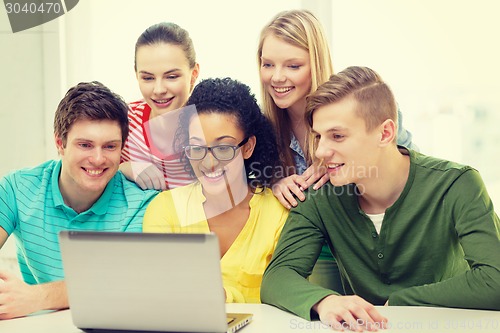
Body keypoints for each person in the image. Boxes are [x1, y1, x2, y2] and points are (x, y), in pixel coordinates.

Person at [261, 66, 500, 331]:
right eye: (318, 136)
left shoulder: (458, 184)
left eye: (337, 136)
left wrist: (400, 302)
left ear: (385, 133)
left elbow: (495, 279)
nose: (321, 151)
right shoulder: (319, 197)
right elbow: (277, 277)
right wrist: (325, 302)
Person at [257, 9, 418, 294]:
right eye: (267, 64)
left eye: (293, 66)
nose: (277, 77)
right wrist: (274, 182)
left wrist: (343, 159)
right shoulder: (262, 126)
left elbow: (407, 172)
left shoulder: (359, 107)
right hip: (310, 258)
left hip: (370, 252)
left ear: (315, 63)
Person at [0, 81, 158, 320]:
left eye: (110, 146)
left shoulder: (141, 205)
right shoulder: (17, 188)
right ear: (60, 144)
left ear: (122, 148)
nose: (97, 158)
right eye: (85, 145)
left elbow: (124, 284)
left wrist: (38, 297)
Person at [143, 77, 289, 303]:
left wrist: (222, 297)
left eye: (222, 148)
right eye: (197, 147)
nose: (209, 162)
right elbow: (157, 293)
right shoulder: (165, 209)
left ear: (248, 147)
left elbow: (285, 293)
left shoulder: (278, 214)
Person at [120, 22, 200, 190]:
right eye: (148, 78)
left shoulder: (210, 125)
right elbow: (91, 169)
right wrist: (124, 168)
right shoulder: (123, 120)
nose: (159, 90)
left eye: (171, 76)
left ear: (193, 75)